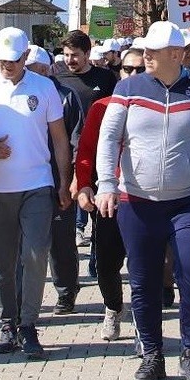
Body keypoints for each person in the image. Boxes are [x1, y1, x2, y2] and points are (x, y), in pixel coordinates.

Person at [96, 21, 190, 380]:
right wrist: (107, 184)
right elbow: (108, 139)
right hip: (137, 201)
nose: (145, 56)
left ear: (176, 55)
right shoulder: (127, 89)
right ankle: (152, 355)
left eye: (153, 51)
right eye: (144, 50)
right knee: (143, 281)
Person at [0, 27, 72, 359]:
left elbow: (59, 139)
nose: (7, 66)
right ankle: (7, 323)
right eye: (2, 60)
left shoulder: (44, 88)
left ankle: (28, 324)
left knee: (36, 253)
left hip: (36, 185)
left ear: (26, 56)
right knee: (2, 261)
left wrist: (64, 180)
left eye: (13, 60)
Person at [73, 48, 145, 341]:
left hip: (146, 198)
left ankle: (144, 319)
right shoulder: (102, 106)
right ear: (119, 72)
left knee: (144, 264)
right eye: (128, 69)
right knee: (105, 263)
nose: (133, 75)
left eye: (140, 70)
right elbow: (87, 151)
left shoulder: (159, 106)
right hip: (109, 197)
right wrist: (84, 185)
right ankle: (113, 307)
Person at [24, 44, 84, 314]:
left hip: (57, 178)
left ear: (47, 69)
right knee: (27, 243)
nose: (29, 74)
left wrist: (70, 178)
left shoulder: (64, 96)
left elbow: (75, 140)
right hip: (26, 181)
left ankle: (66, 291)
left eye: (35, 69)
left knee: (61, 241)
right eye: (27, 69)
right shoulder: (11, 94)